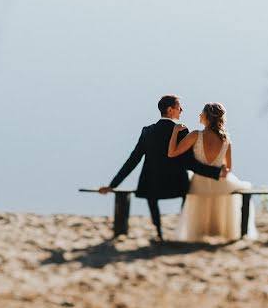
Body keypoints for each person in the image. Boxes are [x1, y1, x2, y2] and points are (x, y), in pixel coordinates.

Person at [99, 95, 228, 242]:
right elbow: (190, 163)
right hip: (177, 184)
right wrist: (216, 172)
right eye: (179, 107)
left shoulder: (147, 131)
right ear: (170, 109)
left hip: (152, 184)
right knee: (187, 192)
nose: (182, 110)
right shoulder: (182, 131)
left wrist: (112, 185)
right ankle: (180, 230)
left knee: (151, 197)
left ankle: (159, 233)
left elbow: (133, 160)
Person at [168, 102, 257, 242]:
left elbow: (172, 153)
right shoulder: (226, 139)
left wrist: (174, 132)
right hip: (220, 183)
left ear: (207, 117)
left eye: (201, 113)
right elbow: (228, 170)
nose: (199, 114)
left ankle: (200, 234)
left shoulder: (195, 135)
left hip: (199, 184)